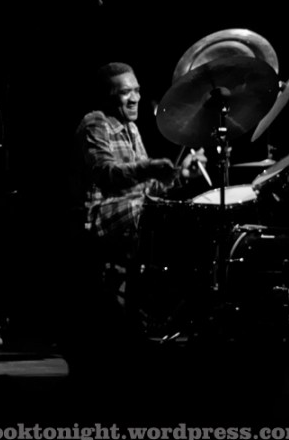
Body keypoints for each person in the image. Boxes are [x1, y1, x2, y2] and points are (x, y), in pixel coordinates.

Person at [65, 61, 205, 393]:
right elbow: (106, 174)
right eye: (125, 92)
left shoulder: (133, 129)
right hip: (99, 215)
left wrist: (179, 175)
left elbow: (145, 189)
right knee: (156, 214)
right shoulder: (95, 123)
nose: (134, 98)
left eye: (137, 90)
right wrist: (149, 167)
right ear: (107, 97)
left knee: (170, 209)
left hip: (131, 209)